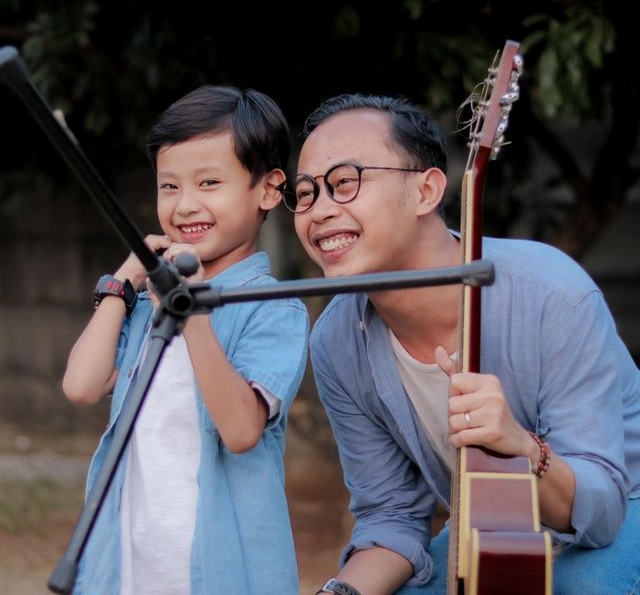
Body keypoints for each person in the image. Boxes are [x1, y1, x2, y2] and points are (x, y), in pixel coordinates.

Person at [278, 93, 640, 595]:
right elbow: (391, 516)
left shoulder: (553, 295)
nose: (318, 211)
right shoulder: (337, 339)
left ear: (426, 190)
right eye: (305, 193)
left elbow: (601, 510)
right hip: (490, 524)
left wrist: (522, 449)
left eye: (344, 183)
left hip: (622, 510)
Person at [62, 85, 309, 595]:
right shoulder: (145, 302)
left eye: (209, 182)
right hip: (129, 570)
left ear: (268, 189)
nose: (185, 205)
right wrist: (122, 284)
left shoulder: (273, 308)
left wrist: (192, 313)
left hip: (224, 575)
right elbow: (82, 386)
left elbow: (240, 430)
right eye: (169, 186)